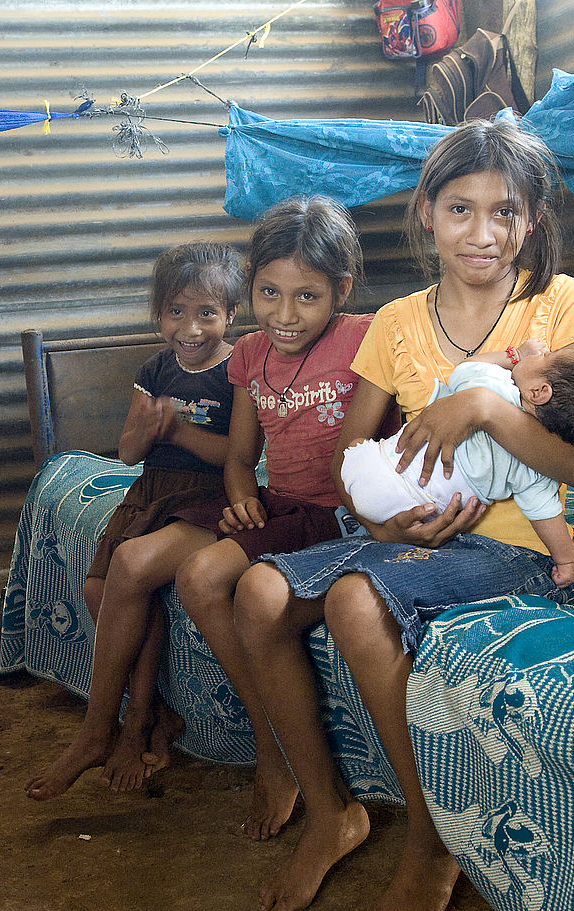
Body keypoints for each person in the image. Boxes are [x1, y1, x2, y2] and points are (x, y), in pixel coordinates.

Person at [232, 117, 574, 911]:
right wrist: (379, 528)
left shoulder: (560, 306)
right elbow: (348, 458)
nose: (484, 232)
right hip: (412, 534)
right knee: (258, 594)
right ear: (427, 213)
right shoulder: (399, 322)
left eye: (505, 212)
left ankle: (433, 836)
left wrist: (481, 406)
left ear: (532, 219)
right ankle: (333, 813)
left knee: (351, 599)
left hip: (516, 548)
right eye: (461, 209)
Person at [172, 195, 377, 841]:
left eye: (307, 296)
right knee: (197, 575)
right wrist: (241, 493)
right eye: (268, 292)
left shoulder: (367, 336)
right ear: (249, 284)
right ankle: (272, 740)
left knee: (205, 575)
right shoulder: (249, 354)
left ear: (340, 291)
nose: (284, 315)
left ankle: (276, 751)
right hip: (282, 505)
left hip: (338, 513)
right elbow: (240, 456)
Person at [25, 241, 244, 799]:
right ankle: (151, 718)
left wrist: (178, 430)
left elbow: (236, 457)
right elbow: (125, 454)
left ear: (231, 316)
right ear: (158, 315)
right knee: (100, 590)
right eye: (176, 312)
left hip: (208, 496)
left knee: (128, 564)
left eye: (207, 313)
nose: (190, 328)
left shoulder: (238, 370)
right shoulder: (154, 369)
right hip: (152, 491)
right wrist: (149, 428)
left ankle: (104, 730)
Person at [341, 337, 574, 586]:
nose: (542, 353)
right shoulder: (536, 468)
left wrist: (515, 355)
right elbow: (546, 514)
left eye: (547, 357)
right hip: (426, 513)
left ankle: (359, 464)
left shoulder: (492, 383)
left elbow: (465, 368)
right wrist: (567, 560)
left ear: (540, 392)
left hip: (374, 474)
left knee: (356, 447)